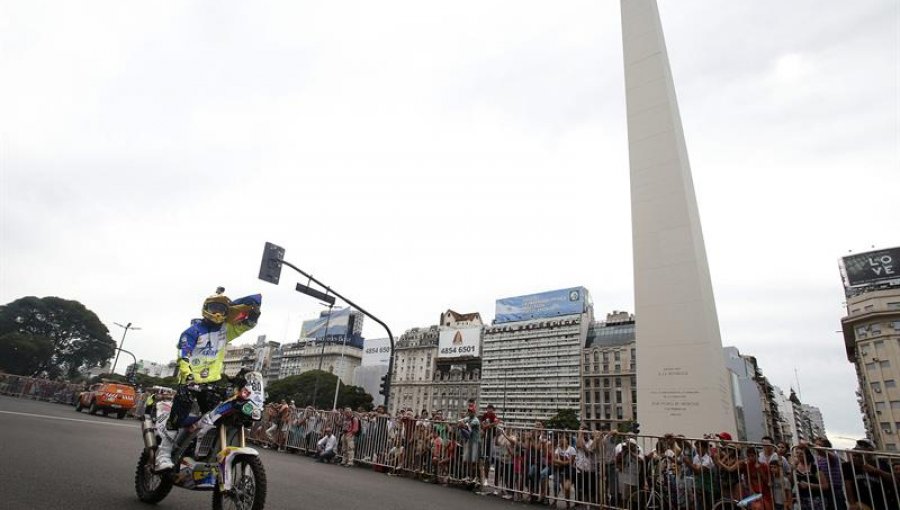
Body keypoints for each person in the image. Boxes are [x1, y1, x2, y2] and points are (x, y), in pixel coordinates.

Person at [155, 288, 261, 471]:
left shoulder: (226, 331)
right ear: (205, 308)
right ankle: (163, 454)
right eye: (214, 308)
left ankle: (200, 452)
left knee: (214, 418)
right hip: (189, 382)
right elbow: (183, 355)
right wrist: (188, 376)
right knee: (181, 409)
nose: (218, 313)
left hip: (212, 383)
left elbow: (248, 322)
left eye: (222, 309)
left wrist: (253, 312)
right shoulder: (192, 332)